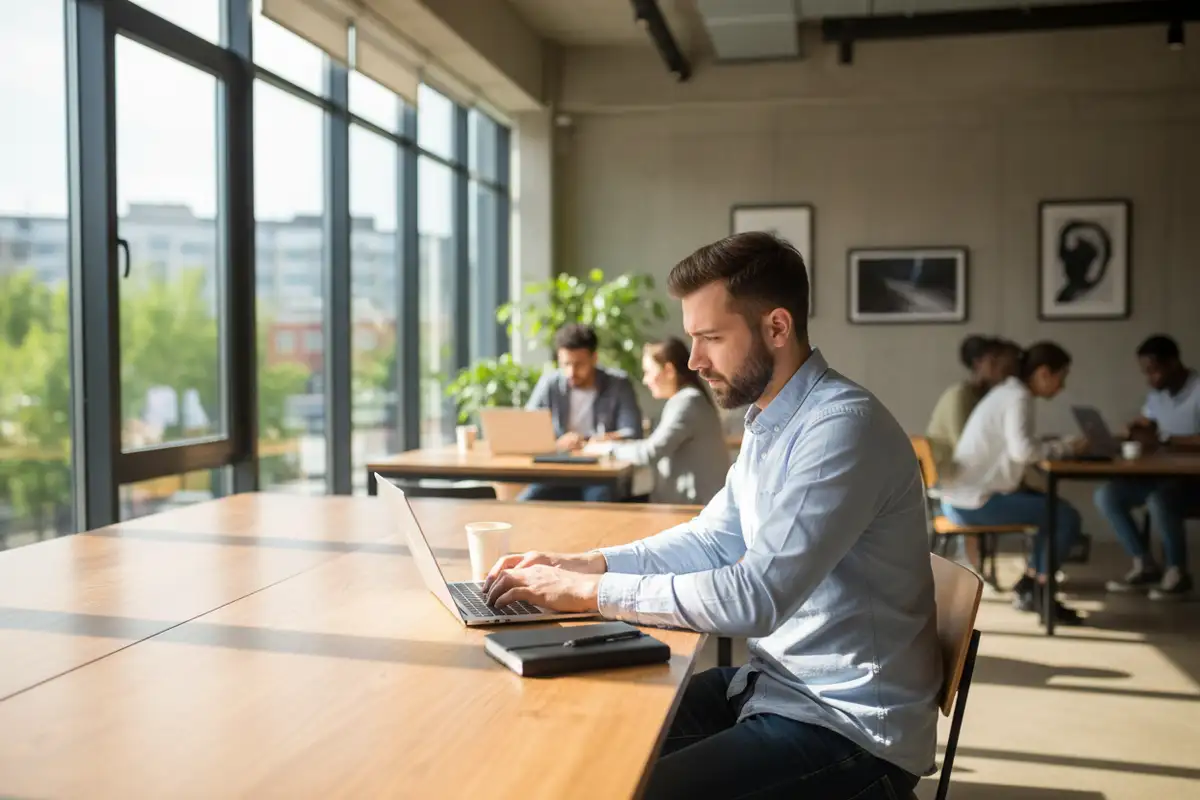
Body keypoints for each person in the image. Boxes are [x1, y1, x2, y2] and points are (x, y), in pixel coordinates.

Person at [484, 232, 941, 798]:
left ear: (777, 327)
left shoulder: (840, 429)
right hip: (773, 688)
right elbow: (713, 539)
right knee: (588, 735)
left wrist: (589, 593)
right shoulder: (771, 421)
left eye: (711, 338)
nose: (694, 360)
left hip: (847, 730)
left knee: (628, 785)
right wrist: (584, 564)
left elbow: (756, 597)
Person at [940, 342, 1089, 624]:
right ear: (1043, 373)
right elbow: (1023, 451)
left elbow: (1017, 446)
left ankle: (1032, 584)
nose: (1062, 386)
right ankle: (1040, 591)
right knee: (1065, 517)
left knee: (1055, 512)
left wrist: (1050, 444)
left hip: (961, 499)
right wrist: (1065, 448)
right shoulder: (1018, 397)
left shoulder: (1007, 392)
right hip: (975, 503)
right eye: (1061, 377)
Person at [1095, 335, 1198, 600]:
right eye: (1146, 372)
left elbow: (1166, 437)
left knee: (1160, 499)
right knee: (1108, 495)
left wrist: (1166, 439)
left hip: (1193, 482)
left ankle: (1178, 574)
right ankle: (1145, 564)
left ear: (1173, 363)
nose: (1150, 378)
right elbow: (1147, 423)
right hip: (1160, 475)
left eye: (1154, 370)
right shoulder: (1156, 396)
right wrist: (1135, 429)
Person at [520, 323, 642, 502]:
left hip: (600, 472)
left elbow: (632, 432)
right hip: (558, 469)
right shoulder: (550, 384)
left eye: (578, 364)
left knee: (597, 504)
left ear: (594, 358)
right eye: (565, 364)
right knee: (525, 504)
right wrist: (557, 443)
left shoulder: (618, 384)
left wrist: (591, 441)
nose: (571, 372)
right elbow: (527, 426)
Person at [604, 338, 729, 505]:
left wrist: (609, 449)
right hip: (686, 503)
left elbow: (651, 452)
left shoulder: (687, 402)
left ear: (669, 370)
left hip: (692, 508)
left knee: (608, 504)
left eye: (648, 372)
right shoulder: (687, 399)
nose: (645, 380)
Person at [926, 335, 1021, 475]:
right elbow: (963, 445)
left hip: (968, 470)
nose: (1002, 368)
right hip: (948, 471)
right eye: (994, 361)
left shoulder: (989, 397)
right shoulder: (959, 395)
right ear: (977, 363)